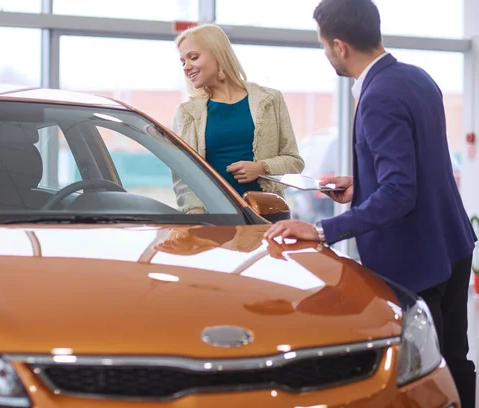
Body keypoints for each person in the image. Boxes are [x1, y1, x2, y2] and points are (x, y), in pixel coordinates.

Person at [263, 0, 477, 405]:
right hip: (452, 244)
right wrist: (360, 185)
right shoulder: (417, 77)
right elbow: (419, 168)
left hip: (416, 259)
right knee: (456, 360)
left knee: (420, 373)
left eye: (325, 47)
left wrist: (322, 229)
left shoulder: (378, 95)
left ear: (340, 46)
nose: (327, 55)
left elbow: (400, 192)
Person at [171, 24, 304, 214]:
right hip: (216, 220)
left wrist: (260, 168)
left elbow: (294, 162)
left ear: (218, 53)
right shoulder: (186, 113)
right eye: (183, 62)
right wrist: (196, 219)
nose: (187, 67)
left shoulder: (270, 99)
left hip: (268, 215)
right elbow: (183, 176)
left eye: (193, 57)